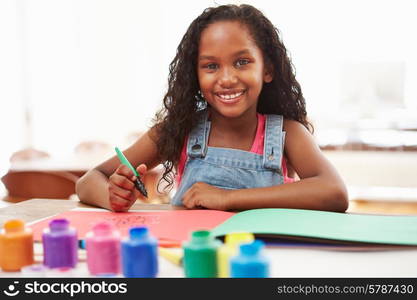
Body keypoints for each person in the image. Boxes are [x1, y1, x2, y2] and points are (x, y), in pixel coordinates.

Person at [76, 4, 348, 213]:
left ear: (268, 69)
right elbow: (89, 180)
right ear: (194, 75)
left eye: (242, 62)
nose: (227, 78)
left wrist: (227, 198)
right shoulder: (178, 130)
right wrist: (112, 196)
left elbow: (334, 192)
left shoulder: (288, 133)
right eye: (211, 66)